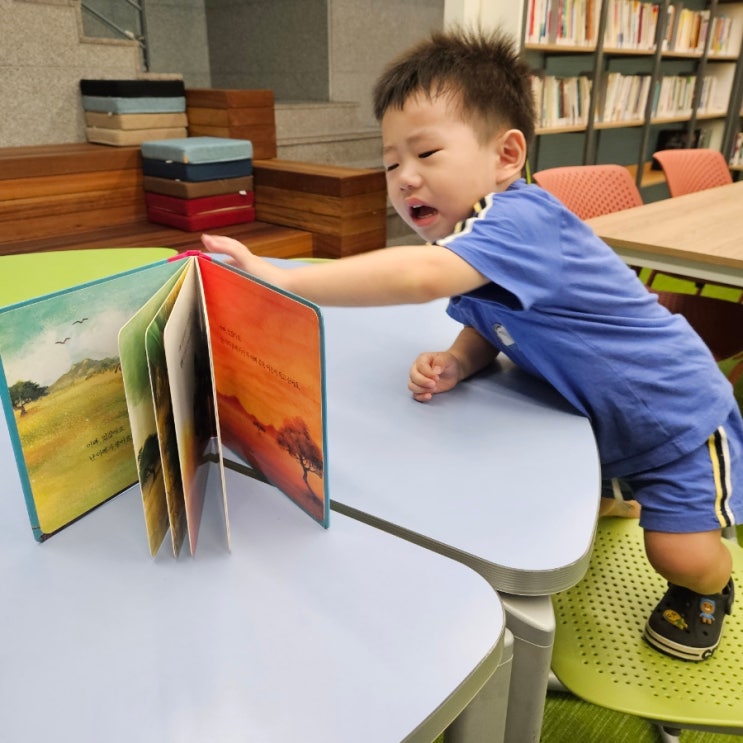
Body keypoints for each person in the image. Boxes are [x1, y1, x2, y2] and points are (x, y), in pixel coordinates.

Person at [201, 27, 740, 661]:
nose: (404, 178)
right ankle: (623, 501)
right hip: (603, 417)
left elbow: (419, 277)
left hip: (676, 416)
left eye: (426, 153)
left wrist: (279, 275)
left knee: (677, 551)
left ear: (506, 155)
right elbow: (488, 319)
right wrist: (461, 358)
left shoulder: (520, 219)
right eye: (390, 162)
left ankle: (713, 587)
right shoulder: (474, 241)